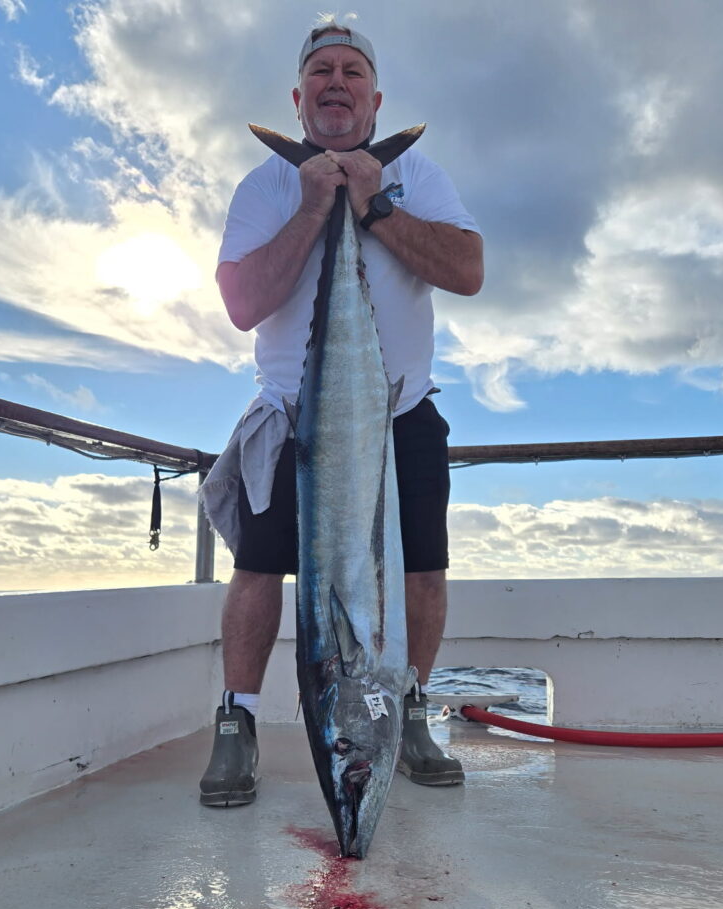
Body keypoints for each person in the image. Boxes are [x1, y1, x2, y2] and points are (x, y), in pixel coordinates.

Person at [198, 18, 483, 806]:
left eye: (352, 71)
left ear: (375, 95)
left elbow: (468, 271)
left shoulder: (416, 173)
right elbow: (244, 303)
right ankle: (238, 721)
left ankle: (411, 708)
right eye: (321, 70)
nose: (336, 81)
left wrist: (376, 204)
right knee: (258, 567)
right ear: (298, 97)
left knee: (423, 569)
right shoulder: (266, 187)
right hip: (295, 415)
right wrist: (315, 202)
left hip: (402, 411)